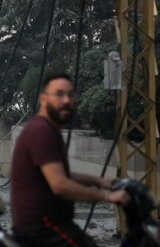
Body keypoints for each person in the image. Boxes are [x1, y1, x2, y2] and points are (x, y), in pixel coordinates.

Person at [10, 73, 130, 247]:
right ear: (43, 99)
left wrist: (98, 181)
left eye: (70, 94)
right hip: (43, 228)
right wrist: (108, 196)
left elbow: (60, 175)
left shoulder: (47, 129)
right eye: (59, 94)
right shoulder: (41, 132)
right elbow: (60, 185)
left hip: (49, 224)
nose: (66, 100)